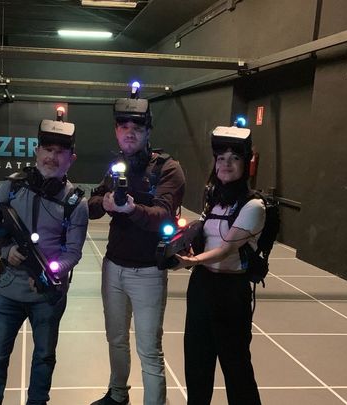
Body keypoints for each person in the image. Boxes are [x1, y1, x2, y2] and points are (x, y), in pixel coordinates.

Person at [0, 109, 88, 405]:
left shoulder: (76, 202)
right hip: (7, 292)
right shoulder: (13, 185)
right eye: (47, 149)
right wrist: (4, 250)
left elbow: (73, 252)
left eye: (60, 152)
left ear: (71, 158)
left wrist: (52, 271)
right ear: (37, 151)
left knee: (44, 358)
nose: (52, 157)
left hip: (47, 296)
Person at [89, 84, 185, 405]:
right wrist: (104, 202)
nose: (129, 132)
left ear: (148, 131)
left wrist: (131, 209)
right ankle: (118, 395)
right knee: (116, 340)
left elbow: (163, 215)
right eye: (123, 126)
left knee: (149, 350)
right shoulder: (117, 166)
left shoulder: (168, 169)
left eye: (137, 127)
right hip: (113, 267)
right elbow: (92, 204)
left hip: (148, 273)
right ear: (116, 130)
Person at [173, 125, 264, 405]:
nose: (226, 164)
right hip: (202, 286)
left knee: (236, 367)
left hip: (231, 292)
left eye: (234, 158)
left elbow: (226, 249)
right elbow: (207, 238)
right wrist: (186, 245)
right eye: (221, 158)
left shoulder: (254, 206)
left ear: (246, 164)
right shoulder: (213, 199)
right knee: (197, 363)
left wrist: (192, 260)